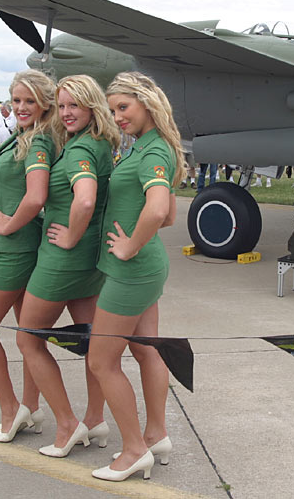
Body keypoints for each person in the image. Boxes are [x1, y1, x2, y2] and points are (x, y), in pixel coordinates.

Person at [16, 74, 119, 459]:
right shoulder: (99, 143)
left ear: (92, 106)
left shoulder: (78, 151)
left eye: (73, 105)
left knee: (28, 338)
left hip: (64, 259)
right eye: (61, 106)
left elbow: (86, 200)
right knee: (92, 341)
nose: (66, 112)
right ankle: (95, 419)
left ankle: (66, 423)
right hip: (91, 260)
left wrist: (71, 236)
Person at [85, 72, 181, 482]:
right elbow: (171, 214)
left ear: (147, 102)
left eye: (124, 107)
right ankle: (155, 434)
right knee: (145, 350)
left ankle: (134, 450)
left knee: (101, 360)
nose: (117, 116)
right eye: (112, 110)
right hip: (145, 265)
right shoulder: (149, 147)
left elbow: (160, 211)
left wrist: (129, 245)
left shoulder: (153, 151)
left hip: (133, 269)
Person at [0, 70, 58, 443]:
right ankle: (29, 407)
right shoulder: (26, 137)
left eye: (30, 101)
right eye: (17, 100)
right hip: (22, 248)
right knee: (28, 336)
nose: (22, 107)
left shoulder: (37, 142)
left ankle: (11, 411)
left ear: (44, 104)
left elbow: (37, 196)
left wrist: (8, 226)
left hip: (16, 250)